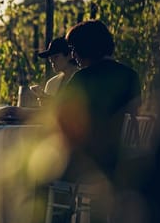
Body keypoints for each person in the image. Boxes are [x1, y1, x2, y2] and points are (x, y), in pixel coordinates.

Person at [55, 20, 141, 185]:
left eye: (73, 49)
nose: (72, 56)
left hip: (89, 164)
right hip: (123, 163)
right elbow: (133, 117)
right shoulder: (131, 75)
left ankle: (57, 211)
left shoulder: (82, 78)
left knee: (41, 165)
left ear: (85, 47)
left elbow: (59, 119)